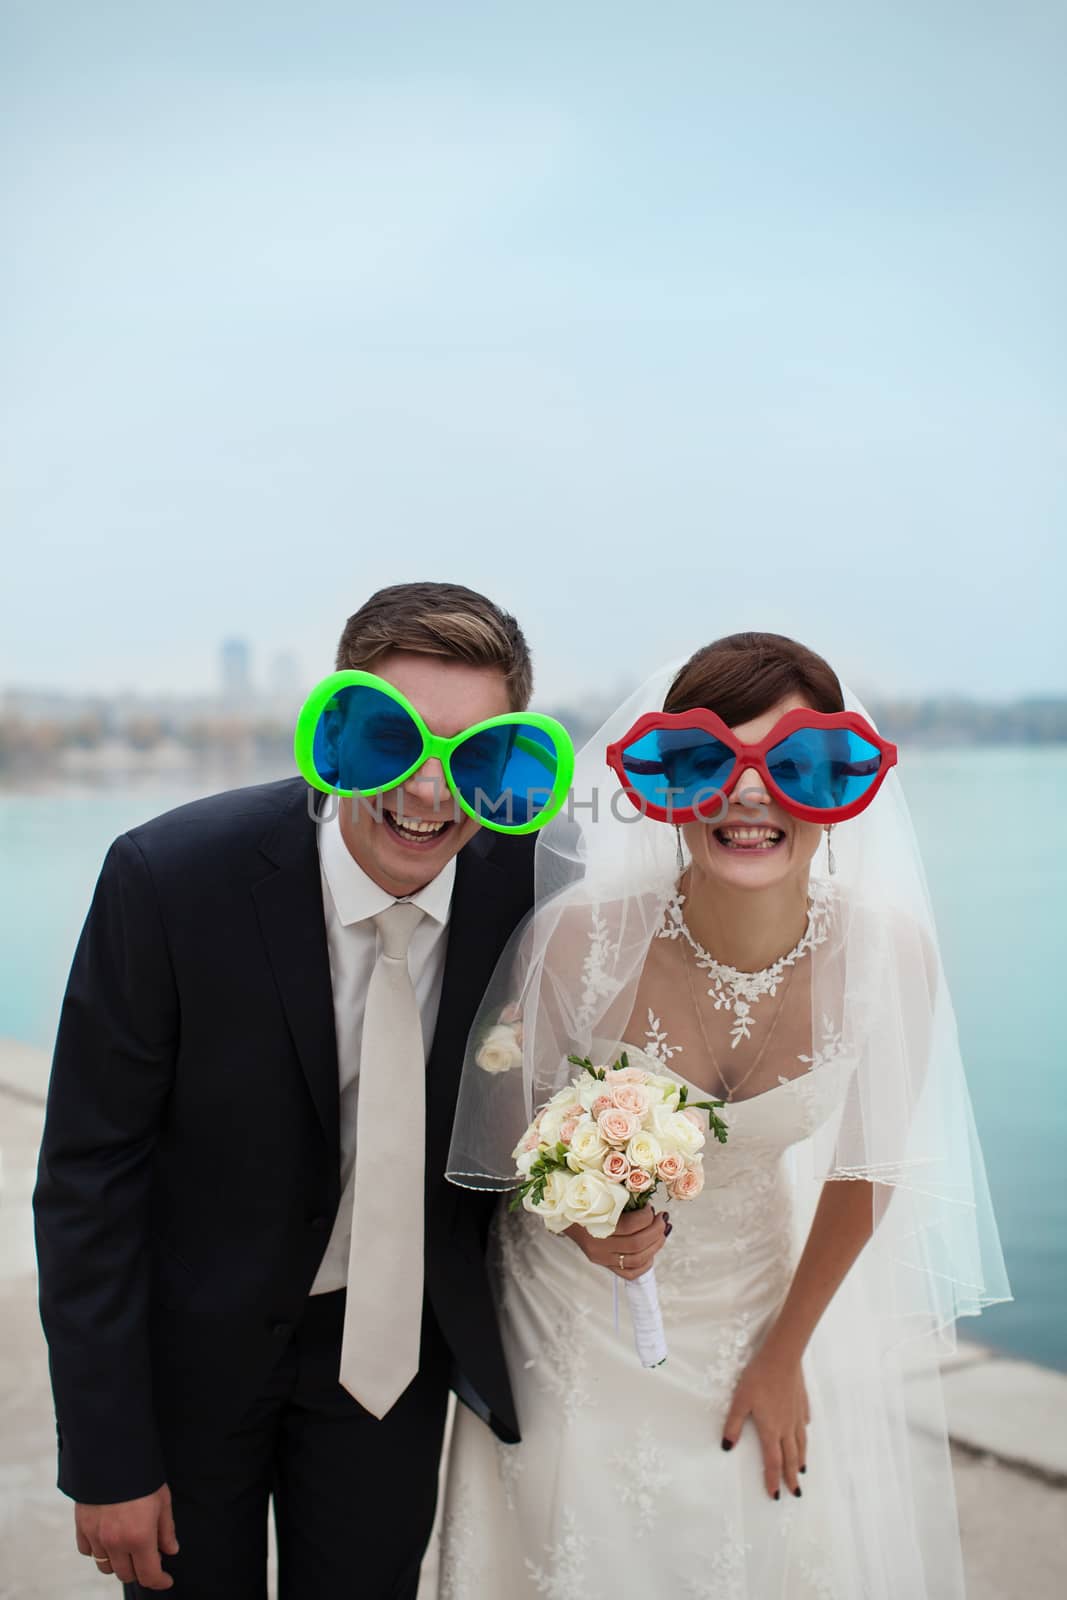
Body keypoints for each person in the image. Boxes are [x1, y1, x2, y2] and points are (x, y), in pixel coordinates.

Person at [439, 631, 1010, 1598]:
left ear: (840, 787)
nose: (748, 796)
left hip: (754, 1312)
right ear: (667, 782)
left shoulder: (889, 958)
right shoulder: (579, 940)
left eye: (792, 766)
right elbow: (504, 1133)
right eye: (710, 759)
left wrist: (785, 1357)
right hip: (567, 1324)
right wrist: (584, 1220)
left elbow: (868, 1171)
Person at [33, 581, 573, 1598]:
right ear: (339, 729)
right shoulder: (167, 878)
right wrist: (108, 1453)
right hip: (191, 1356)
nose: (426, 792)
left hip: (391, 1357)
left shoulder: (535, 888)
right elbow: (88, 1179)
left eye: (468, 752)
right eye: (393, 740)